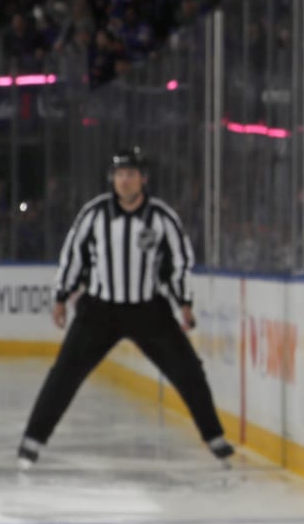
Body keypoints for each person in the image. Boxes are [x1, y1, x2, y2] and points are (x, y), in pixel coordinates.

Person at [16, 147, 233, 470]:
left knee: (189, 372)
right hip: (99, 312)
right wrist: (61, 297)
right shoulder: (94, 214)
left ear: (143, 179)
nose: (125, 181)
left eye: (131, 175)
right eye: (119, 175)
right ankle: (32, 441)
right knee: (63, 375)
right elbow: (73, 256)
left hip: (149, 311)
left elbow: (179, 263)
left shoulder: (161, 217)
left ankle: (214, 438)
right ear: (112, 180)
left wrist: (184, 304)